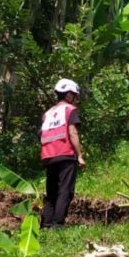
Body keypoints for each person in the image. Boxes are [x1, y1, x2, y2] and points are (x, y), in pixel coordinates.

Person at [39, 79, 86, 229]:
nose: (75, 99)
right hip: (65, 154)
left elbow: (40, 134)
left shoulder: (48, 113)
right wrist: (79, 155)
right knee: (65, 190)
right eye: (74, 95)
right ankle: (57, 225)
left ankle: (46, 225)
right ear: (68, 94)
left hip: (48, 156)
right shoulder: (69, 110)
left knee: (51, 192)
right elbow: (72, 132)